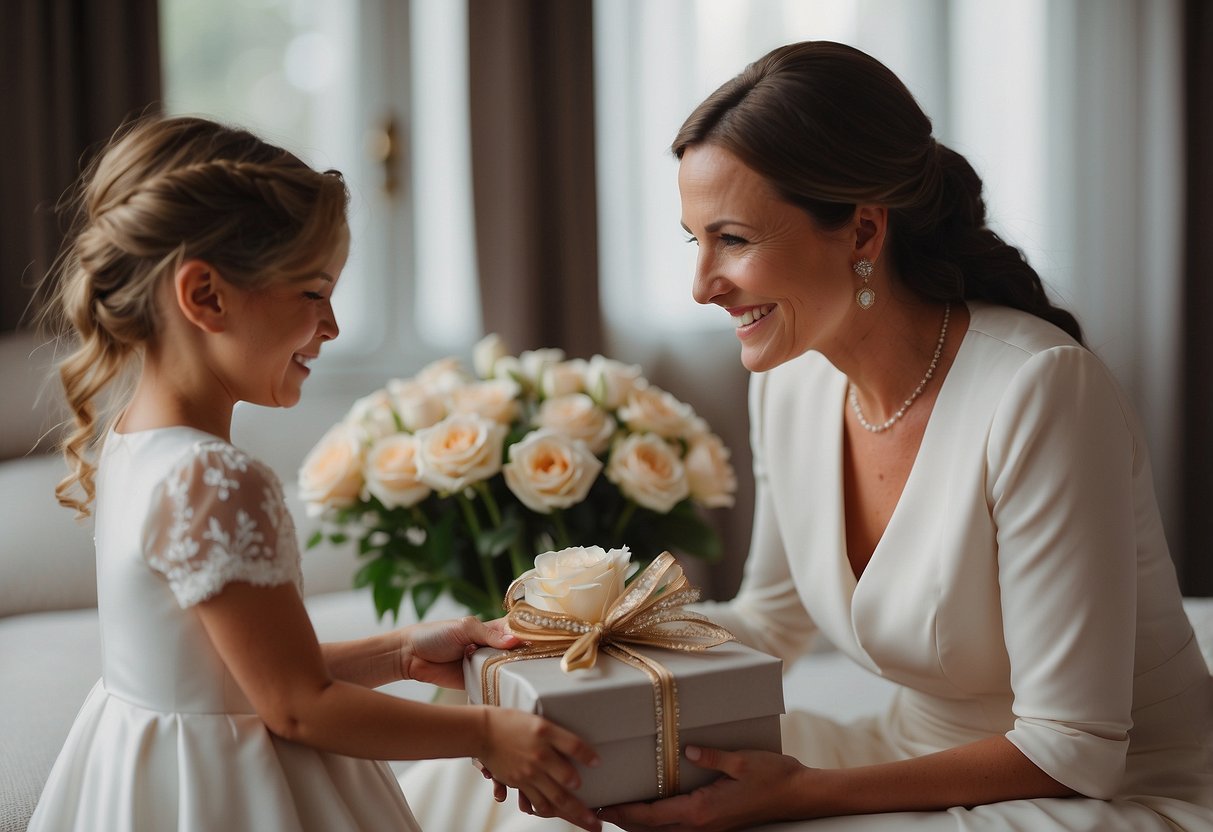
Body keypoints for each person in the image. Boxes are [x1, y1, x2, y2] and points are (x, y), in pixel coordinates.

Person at [402, 41, 1213, 832]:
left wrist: (797, 795)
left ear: (863, 232)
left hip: (1100, 796)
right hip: (900, 756)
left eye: (734, 240)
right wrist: (573, 655)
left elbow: (1076, 749)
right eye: (696, 241)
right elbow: (772, 621)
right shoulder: (792, 382)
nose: (701, 286)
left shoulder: (1039, 390)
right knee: (578, 795)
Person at [28, 115, 603, 832]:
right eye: (311, 292)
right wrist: (486, 734)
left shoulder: (133, 442)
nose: (330, 325)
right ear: (205, 296)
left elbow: (229, 669)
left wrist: (399, 650)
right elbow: (296, 706)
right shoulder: (214, 477)